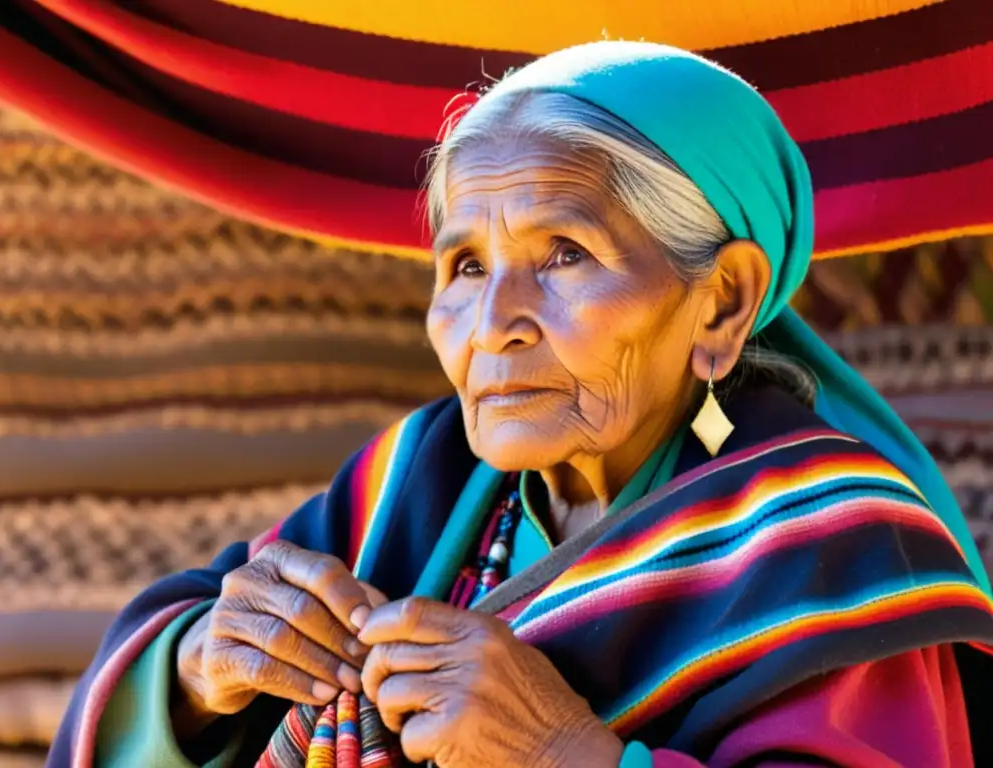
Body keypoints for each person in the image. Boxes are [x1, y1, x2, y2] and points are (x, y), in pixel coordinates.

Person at [49, 42, 993, 768]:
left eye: (565, 255)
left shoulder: (830, 548)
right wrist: (202, 669)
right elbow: (156, 689)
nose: (494, 323)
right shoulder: (420, 478)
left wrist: (563, 752)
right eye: (464, 266)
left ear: (723, 302)